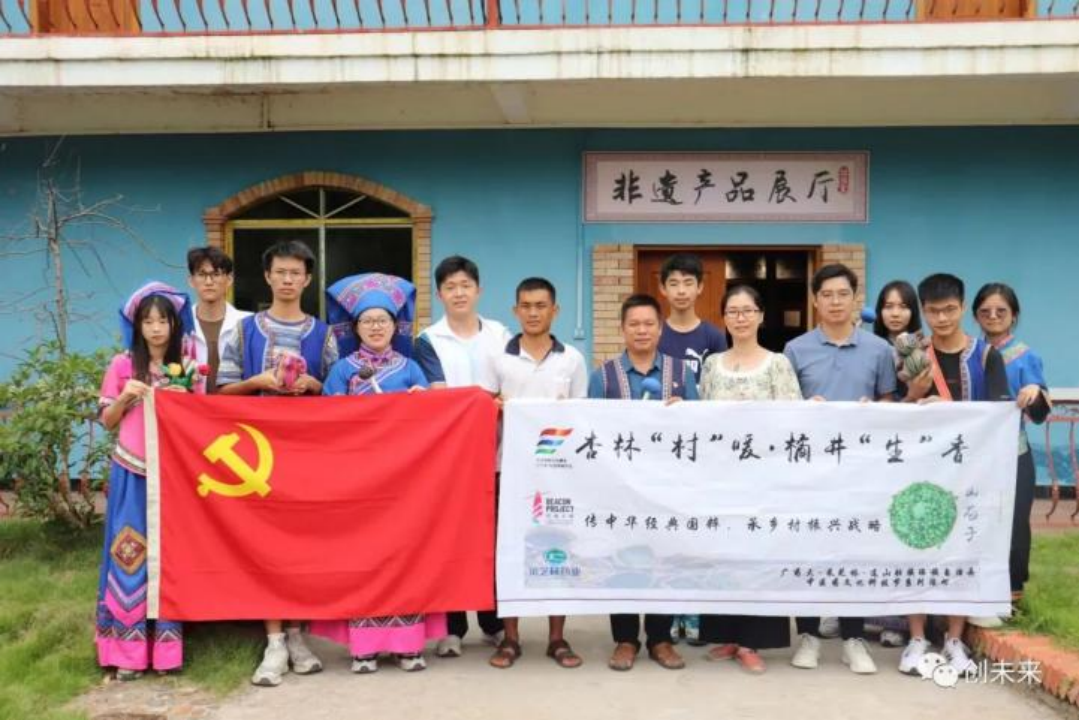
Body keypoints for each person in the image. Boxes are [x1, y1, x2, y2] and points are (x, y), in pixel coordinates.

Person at [217, 240, 338, 687]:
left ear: (308, 280)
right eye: (280, 272)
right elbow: (220, 393)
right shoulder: (243, 331)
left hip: (307, 454)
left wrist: (315, 386)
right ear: (267, 276)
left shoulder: (324, 335)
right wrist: (257, 381)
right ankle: (273, 642)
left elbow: (340, 396)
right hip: (257, 456)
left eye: (296, 273)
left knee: (303, 545)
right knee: (265, 545)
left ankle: (298, 634)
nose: (288, 279)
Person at [311, 273, 441, 674]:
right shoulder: (342, 371)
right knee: (363, 558)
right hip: (359, 481)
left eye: (382, 320)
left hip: (404, 481)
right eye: (367, 321)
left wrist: (422, 403)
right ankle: (364, 648)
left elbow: (432, 420)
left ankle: (407, 646)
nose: (375, 327)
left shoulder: (410, 368)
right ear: (355, 328)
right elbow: (327, 423)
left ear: (394, 325)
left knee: (405, 557)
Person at [895, 273, 1014, 679]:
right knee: (915, 546)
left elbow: (998, 410)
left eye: (949, 310)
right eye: (933, 311)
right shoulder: (912, 353)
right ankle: (916, 638)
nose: (942, 318)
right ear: (923, 311)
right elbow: (896, 410)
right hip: (921, 468)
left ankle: (954, 640)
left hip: (970, 470)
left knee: (963, 549)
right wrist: (915, 396)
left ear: (962, 308)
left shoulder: (986, 356)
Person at [783, 263, 897, 675]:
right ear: (814, 300)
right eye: (827, 295)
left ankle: (853, 638)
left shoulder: (879, 350)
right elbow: (785, 410)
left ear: (855, 299)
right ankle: (808, 635)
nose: (835, 302)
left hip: (860, 470)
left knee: (855, 550)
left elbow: (889, 403)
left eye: (842, 294)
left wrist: (874, 410)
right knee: (808, 548)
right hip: (809, 470)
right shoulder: (795, 350)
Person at [478, 277, 589, 670]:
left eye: (541, 305)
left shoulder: (572, 359)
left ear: (555, 310)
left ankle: (557, 638)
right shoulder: (498, 358)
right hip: (507, 470)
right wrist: (495, 407)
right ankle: (510, 638)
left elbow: (581, 417)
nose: (533, 312)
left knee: (559, 549)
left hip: (557, 472)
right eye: (526, 306)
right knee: (509, 551)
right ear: (515, 310)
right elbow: (483, 412)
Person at [588, 293, 699, 672]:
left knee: (664, 558)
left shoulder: (681, 374)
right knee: (620, 557)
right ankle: (625, 639)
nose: (641, 330)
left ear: (660, 328)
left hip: (667, 486)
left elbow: (700, 428)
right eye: (634, 324)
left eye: (649, 323)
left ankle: (660, 638)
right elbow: (591, 429)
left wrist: (684, 414)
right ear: (622, 329)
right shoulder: (603, 376)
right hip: (618, 488)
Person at [96, 282, 202, 680]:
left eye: (163, 321)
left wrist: (185, 398)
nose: (156, 329)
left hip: (174, 474)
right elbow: (107, 421)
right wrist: (126, 396)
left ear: (175, 325)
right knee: (130, 552)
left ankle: (167, 650)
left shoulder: (189, 367)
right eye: (148, 321)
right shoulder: (122, 365)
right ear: (137, 326)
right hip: (132, 469)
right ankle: (127, 651)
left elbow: (203, 419)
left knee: (170, 555)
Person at [698, 285, 799, 673]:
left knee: (759, 558)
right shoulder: (712, 364)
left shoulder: (777, 364)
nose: (740, 318)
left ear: (761, 316)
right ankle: (726, 634)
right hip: (720, 479)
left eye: (747, 311)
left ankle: (752, 641)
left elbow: (793, 420)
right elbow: (700, 416)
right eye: (732, 312)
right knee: (723, 556)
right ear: (723, 318)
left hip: (764, 480)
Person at [414, 255, 510, 657]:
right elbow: (440, 397)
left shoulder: (500, 334)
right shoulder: (428, 340)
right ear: (439, 294)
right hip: (450, 459)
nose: (459, 293)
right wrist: (485, 400)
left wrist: (487, 401)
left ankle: (494, 622)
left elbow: (510, 385)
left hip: (497, 453)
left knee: (493, 539)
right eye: (450, 287)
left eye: (465, 286)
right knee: (450, 539)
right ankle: (452, 627)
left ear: (478, 290)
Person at [969, 283, 1051, 626]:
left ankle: (1012, 595)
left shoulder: (1027, 357)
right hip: (972, 455)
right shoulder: (969, 354)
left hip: (1014, 452)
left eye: (1000, 311)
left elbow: (1039, 413)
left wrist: (1035, 392)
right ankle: (971, 593)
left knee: (1015, 524)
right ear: (975, 315)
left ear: (1013, 315)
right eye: (985, 311)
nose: (993, 316)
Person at [655, 252, 726, 645]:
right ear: (663, 289)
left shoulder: (713, 337)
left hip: (702, 449)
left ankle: (694, 610)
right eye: (673, 283)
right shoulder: (655, 332)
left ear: (700, 287)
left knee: (697, 530)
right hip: (661, 451)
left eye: (688, 283)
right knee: (666, 531)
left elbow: (714, 390)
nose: (681, 291)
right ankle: (669, 610)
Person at [867, 280, 929, 648]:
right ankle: (864, 615)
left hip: (911, 452)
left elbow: (925, 397)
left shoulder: (923, 349)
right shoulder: (869, 347)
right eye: (888, 306)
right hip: (874, 451)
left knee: (901, 531)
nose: (895, 313)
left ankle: (899, 621)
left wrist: (913, 397)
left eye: (902, 306)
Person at [186, 246, 251, 392]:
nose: (209, 282)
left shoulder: (248, 323)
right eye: (202, 274)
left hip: (236, 405)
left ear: (229, 279)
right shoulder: (179, 323)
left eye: (216, 274)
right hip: (190, 405)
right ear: (191, 281)